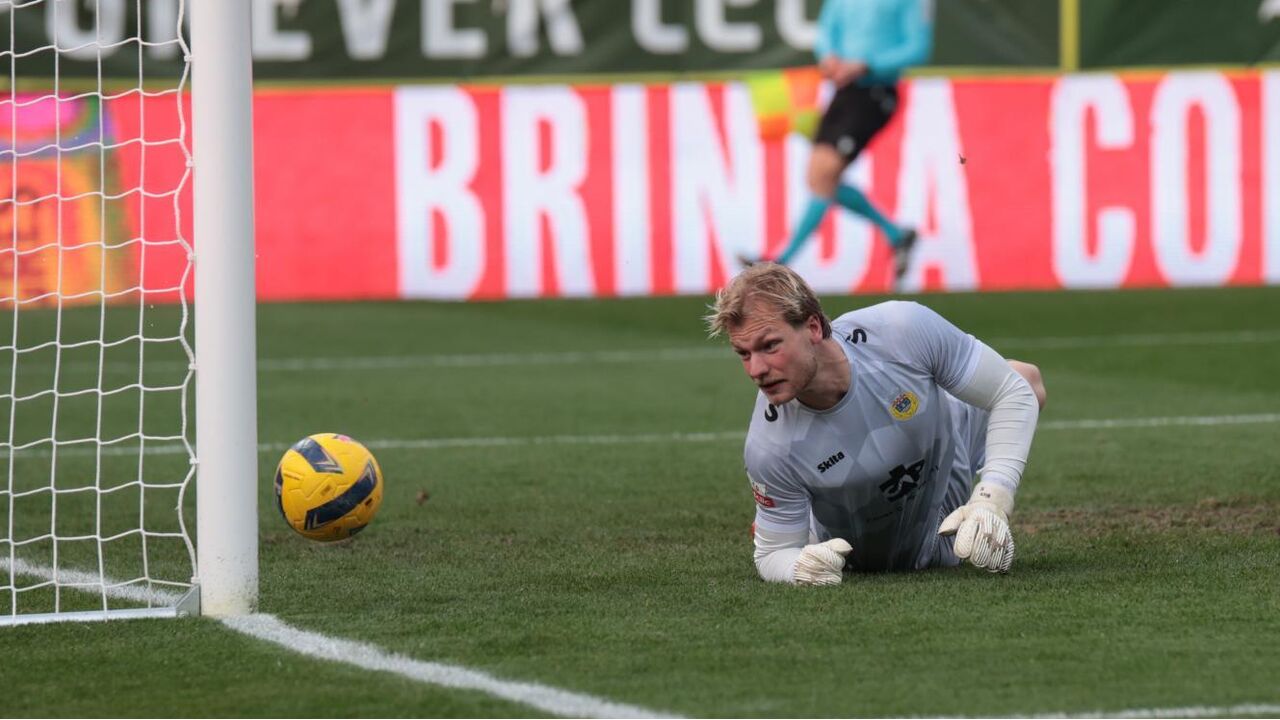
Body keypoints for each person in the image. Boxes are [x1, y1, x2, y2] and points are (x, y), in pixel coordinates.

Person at [706, 263, 1046, 585]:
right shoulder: (769, 447)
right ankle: (800, 524)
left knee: (1025, 380)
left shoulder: (901, 330)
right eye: (744, 354)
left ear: (812, 327)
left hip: (944, 486)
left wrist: (992, 499)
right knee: (790, 537)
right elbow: (771, 554)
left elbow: (1011, 393)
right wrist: (798, 567)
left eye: (769, 346)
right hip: (867, 556)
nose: (756, 370)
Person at [742, 0, 933, 286]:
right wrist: (828, 57)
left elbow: (917, 48)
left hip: (876, 92)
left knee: (824, 174)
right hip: (844, 93)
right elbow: (827, 32)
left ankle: (780, 262)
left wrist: (866, 65)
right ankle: (896, 234)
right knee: (818, 177)